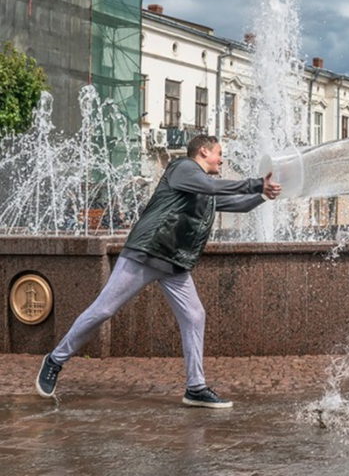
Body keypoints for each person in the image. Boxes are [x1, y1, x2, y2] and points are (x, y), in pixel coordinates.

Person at [35, 135, 282, 408]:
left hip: (174, 263)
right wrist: (255, 183)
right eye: (218, 154)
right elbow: (209, 186)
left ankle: (195, 387)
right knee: (104, 310)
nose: (222, 160)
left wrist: (261, 195)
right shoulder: (183, 168)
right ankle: (55, 359)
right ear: (203, 151)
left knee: (194, 316)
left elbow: (237, 204)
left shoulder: (205, 190)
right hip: (147, 252)